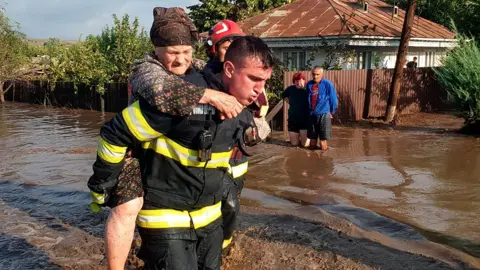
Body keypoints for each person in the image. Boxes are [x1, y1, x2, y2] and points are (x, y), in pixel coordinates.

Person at [88, 35, 274, 269]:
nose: (260, 89)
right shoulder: (181, 98)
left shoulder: (243, 108)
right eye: (254, 79)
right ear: (229, 69)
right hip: (165, 218)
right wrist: (103, 186)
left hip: (209, 220)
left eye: (265, 81)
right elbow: (114, 134)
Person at [306, 66, 338, 151]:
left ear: (322, 74)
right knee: (312, 139)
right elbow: (307, 99)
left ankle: (324, 160)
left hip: (324, 114)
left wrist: (331, 112)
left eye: (317, 74)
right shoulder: (309, 84)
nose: (315, 76)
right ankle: (311, 159)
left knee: (323, 140)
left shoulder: (327, 84)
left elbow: (334, 100)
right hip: (312, 115)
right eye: (313, 74)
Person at [282, 72, 309, 147]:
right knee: (294, 145)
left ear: (304, 80)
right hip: (293, 119)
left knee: (305, 145)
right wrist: (290, 102)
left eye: (300, 80)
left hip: (305, 120)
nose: (298, 82)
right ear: (294, 81)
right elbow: (283, 95)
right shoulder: (290, 89)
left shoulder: (308, 89)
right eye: (296, 81)